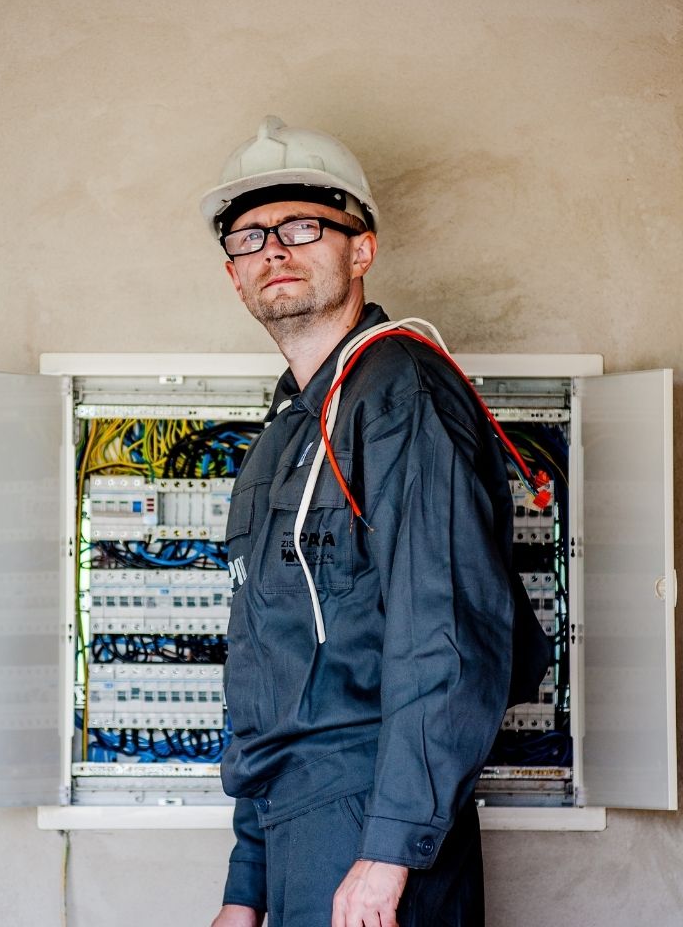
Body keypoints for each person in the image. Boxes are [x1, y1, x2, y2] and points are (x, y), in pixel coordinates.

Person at [201, 117, 550, 927]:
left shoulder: (400, 394)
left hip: (371, 821)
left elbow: (448, 631)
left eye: (302, 226)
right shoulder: (288, 426)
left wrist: (389, 851)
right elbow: (270, 665)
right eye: (249, 237)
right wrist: (247, 880)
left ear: (362, 249)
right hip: (296, 827)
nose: (274, 250)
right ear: (233, 276)